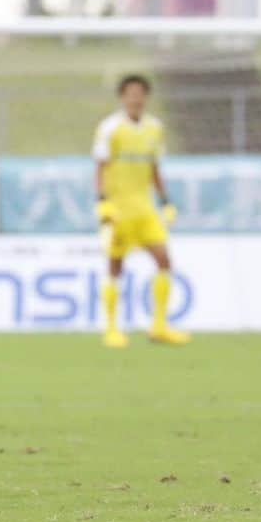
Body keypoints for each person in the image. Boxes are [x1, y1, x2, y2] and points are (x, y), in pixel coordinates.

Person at [91, 74, 189, 348]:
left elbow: (154, 168)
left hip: (144, 209)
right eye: (130, 93)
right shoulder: (110, 129)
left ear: (145, 97)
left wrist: (165, 201)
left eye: (140, 93)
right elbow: (99, 166)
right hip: (118, 209)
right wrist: (101, 201)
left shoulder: (154, 129)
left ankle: (159, 325)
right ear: (122, 97)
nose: (135, 98)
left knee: (164, 260)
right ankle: (111, 329)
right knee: (115, 266)